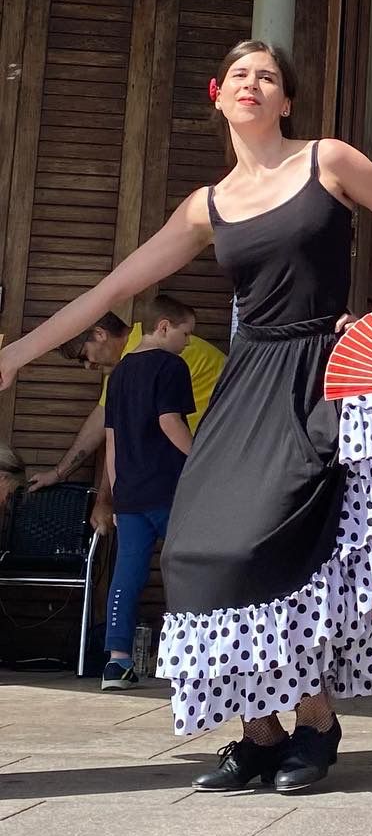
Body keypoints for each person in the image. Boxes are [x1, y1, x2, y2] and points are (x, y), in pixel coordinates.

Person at [0, 39, 372, 794]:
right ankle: (259, 733)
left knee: (283, 544)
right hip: (248, 378)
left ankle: (316, 722)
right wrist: (15, 357)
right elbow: (110, 291)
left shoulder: (328, 160)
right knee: (196, 550)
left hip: (322, 371)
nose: (253, 83)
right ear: (219, 95)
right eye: (240, 74)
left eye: (268, 76)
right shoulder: (206, 205)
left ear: (286, 100)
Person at [31, 308, 224, 538]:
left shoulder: (145, 357)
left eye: (83, 355)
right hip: (202, 458)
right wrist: (59, 472)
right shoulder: (136, 352)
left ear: (100, 334)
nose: (87, 366)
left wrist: (107, 500)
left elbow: (121, 436)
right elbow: (104, 421)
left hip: (211, 459)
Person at [98, 295, 197, 691]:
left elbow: (111, 439)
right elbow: (170, 421)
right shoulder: (171, 366)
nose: (187, 343)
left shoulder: (119, 373)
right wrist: (200, 459)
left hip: (131, 493)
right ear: (164, 327)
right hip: (170, 488)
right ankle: (189, 657)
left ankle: (116, 662)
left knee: (127, 574)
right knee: (187, 570)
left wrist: (117, 491)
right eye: (185, 334)